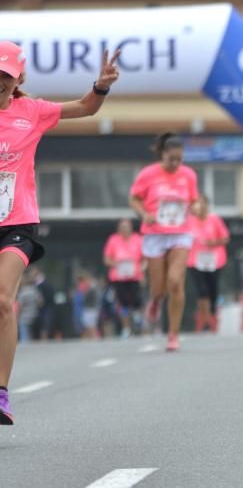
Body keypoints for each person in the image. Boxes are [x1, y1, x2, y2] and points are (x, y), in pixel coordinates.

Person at [0, 41, 120, 425]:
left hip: (17, 223)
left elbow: (86, 107)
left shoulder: (32, 112)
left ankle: (0, 392)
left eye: (5, 75)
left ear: (19, 77)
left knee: (3, 300)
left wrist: (101, 85)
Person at [129, 133, 199, 352]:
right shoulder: (148, 174)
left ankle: (173, 334)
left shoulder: (188, 175)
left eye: (179, 159)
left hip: (180, 233)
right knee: (159, 288)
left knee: (175, 281)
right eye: (171, 159)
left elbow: (194, 199)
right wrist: (144, 214)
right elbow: (134, 198)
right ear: (163, 155)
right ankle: (156, 301)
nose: (176, 164)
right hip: (155, 233)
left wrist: (195, 207)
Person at [186, 195, 230, 333]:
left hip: (214, 261)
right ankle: (204, 321)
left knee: (212, 291)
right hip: (195, 261)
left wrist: (213, 243)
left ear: (206, 205)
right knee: (201, 291)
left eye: (202, 204)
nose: (199, 207)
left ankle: (212, 317)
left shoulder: (214, 219)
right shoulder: (189, 221)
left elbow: (225, 238)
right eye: (196, 204)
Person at [103, 217, 145, 337]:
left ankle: (138, 323)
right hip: (119, 277)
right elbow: (107, 259)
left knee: (137, 301)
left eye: (127, 227)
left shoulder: (138, 239)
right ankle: (126, 328)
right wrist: (116, 264)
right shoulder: (113, 240)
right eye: (122, 227)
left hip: (135, 276)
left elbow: (145, 258)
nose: (125, 230)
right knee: (122, 303)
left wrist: (143, 268)